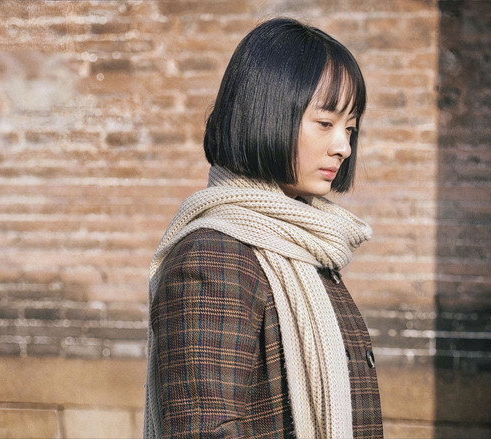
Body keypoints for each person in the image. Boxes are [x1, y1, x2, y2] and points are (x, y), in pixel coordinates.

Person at [144, 17, 383, 438]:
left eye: (350, 128)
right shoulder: (212, 258)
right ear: (266, 114)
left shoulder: (306, 248)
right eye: (325, 123)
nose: (343, 147)